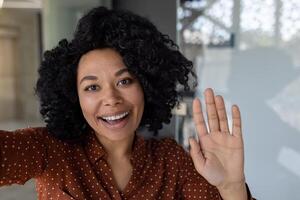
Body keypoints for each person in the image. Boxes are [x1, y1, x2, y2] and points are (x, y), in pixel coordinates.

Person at [0, 6, 254, 200]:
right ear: (73, 97)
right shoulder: (48, 150)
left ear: (146, 85)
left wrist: (231, 186)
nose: (111, 99)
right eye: (92, 87)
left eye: (124, 81)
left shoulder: (173, 162)